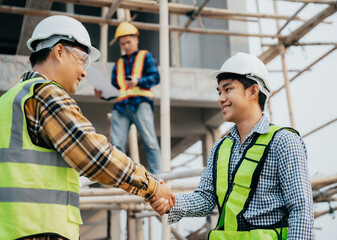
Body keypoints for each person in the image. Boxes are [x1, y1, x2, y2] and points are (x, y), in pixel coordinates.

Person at [0, 15, 174, 240]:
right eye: (82, 60)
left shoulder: (8, 100)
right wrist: (151, 186)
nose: (84, 72)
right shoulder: (45, 93)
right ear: (59, 51)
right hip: (40, 230)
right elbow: (94, 154)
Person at [151, 52, 314, 239]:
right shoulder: (220, 148)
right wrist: (170, 202)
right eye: (219, 92)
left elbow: (300, 208)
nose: (220, 98)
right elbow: (205, 199)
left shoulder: (283, 141)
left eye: (227, 90)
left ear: (253, 91)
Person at [94, 22, 161, 175]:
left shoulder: (146, 56)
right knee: (116, 145)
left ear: (136, 39)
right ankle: (120, 175)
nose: (125, 46)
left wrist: (138, 82)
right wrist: (102, 94)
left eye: (128, 42)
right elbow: (115, 90)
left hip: (140, 103)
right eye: (122, 43)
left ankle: (158, 175)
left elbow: (155, 78)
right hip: (121, 106)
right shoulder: (119, 63)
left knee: (150, 141)